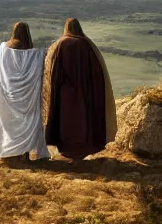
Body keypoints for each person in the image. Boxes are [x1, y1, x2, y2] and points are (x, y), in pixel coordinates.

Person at [42, 18, 117, 160]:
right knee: (84, 121)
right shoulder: (87, 44)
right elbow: (97, 73)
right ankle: (83, 151)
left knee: (67, 122)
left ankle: (67, 151)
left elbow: (53, 71)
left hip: (65, 94)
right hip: (86, 93)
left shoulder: (60, 44)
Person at [0, 22, 50, 160]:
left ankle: (7, 149)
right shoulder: (33, 53)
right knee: (25, 122)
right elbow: (39, 62)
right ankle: (24, 153)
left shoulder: (5, 48)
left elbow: (1, 70)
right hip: (26, 98)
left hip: (7, 93)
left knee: (7, 122)